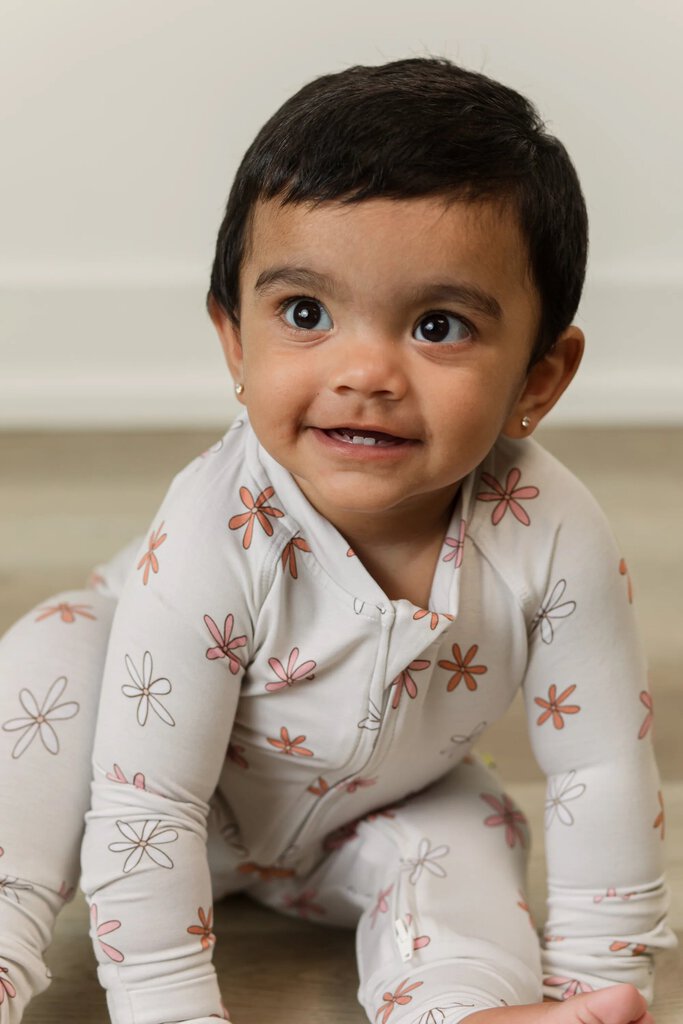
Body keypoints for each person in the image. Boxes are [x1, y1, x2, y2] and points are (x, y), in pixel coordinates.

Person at [0, 56, 676, 1024]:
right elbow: (147, 807)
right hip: (132, 785)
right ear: (235, 342)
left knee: (472, 824)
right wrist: (167, 1005)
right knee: (56, 657)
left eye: (438, 326)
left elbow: (597, 767)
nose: (366, 373)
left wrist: (600, 981)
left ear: (537, 378)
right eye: (305, 314)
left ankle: (461, 1007)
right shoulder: (214, 526)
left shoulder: (550, 531)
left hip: (368, 814)